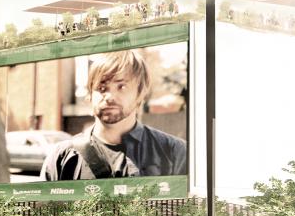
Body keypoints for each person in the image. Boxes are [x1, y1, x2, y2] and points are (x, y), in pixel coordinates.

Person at [40, 50, 188, 181]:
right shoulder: (61, 157)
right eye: (102, 88)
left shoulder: (175, 152)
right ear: (90, 96)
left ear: (140, 95)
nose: (110, 96)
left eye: (121, 86)